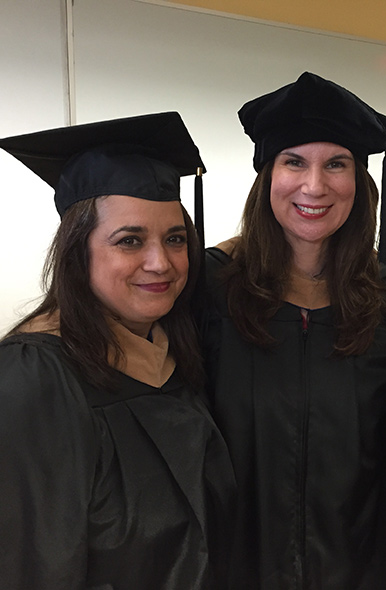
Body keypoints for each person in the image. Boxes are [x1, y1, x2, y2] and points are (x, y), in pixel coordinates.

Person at [200, 72, 386, 589]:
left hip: (358, 572)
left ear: (360, 182)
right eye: (293, 161)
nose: (314, 185)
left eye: (336, 164)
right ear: (267, 178)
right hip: (232, 572)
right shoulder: (209, 291)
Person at [0, 112, 235, 589]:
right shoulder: (36, 377)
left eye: (175, 239)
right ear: (77, 250)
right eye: (129, 241)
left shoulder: (172, 352)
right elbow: (32, 565)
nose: (160, 263)